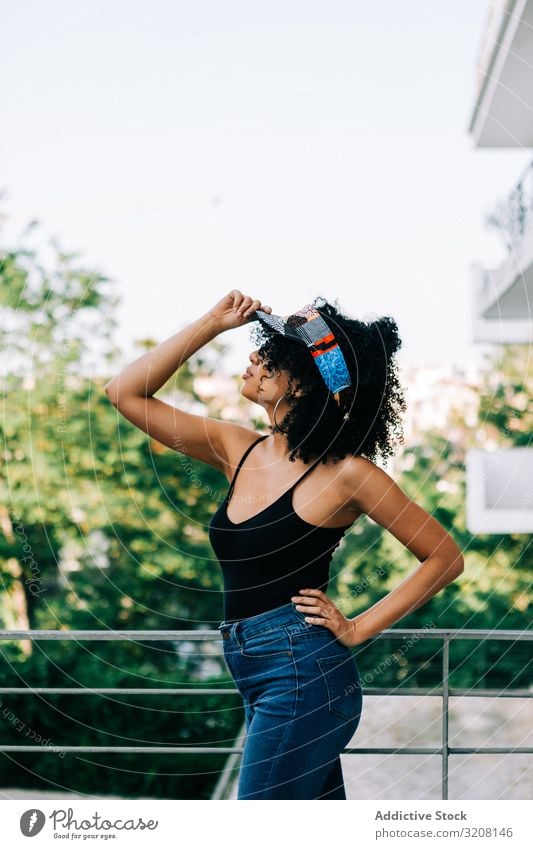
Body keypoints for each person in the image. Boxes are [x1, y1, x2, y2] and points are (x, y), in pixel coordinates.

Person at [104, 290, 464, 800]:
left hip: (303, 674)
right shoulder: (238, 448)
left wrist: (359, 627)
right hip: (254, 669)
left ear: (303, 382)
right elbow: (125, 394)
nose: (253, 357)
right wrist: (212, 323)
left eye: (271, 355)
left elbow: (445, 557)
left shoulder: (349, 475)